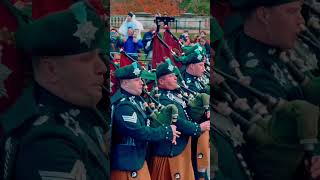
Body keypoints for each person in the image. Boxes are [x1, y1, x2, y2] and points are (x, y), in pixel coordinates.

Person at [0, 2, 110, 179]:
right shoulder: (46, 145)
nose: (101, 68)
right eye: (86, 59)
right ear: (51, 70)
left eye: (98, 56)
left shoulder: (85, 111)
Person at [216, 0, 320, 179]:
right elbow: (290, 145)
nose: (300, 20)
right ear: (264, 15)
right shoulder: (249, 73)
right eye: (292, 11)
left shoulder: (282, 46)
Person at [110, 62, 180, 180]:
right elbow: (139, 132)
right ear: (125, 83)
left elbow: (150, 122)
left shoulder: (135, 100)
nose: (142, 83)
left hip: (138, 161)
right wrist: (166, 131)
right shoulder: (124, 107)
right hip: (128, 167)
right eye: (137, 80)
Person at [148, 60, 210, 180]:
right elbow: (177, 121)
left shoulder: (173, 94)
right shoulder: (160, 99)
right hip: (169, 152)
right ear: (161, 81)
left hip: (182, 148)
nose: (176, 77)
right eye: (171, 76)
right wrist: (198, 128)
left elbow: (187, 113)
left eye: (175, 75)